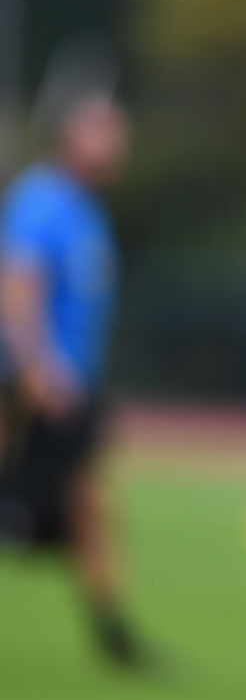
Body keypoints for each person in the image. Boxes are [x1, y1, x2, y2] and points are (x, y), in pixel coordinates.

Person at [0, 88, 140, 666]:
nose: (116, 140)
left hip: (76, 386)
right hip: (28, 386)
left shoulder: (87, 208)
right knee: (32, 508)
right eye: (102, 127)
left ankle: (115, 639)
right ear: (68, 135)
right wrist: (36, 367)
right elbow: (18, 285)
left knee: (89, 505)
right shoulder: (42, 199)